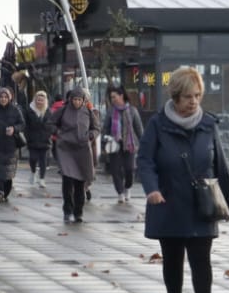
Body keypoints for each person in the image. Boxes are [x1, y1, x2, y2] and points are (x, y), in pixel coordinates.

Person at [137, 66, 229, 293]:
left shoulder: (208, 125)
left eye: (198, 96)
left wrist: (228, 203)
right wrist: (152, 189)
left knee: (201, 258)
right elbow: (145, 160)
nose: (194, 102)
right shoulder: (158, 124)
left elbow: (220, 164)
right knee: (173, 259)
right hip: (168, 202)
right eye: (189, 96)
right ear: (176, 96)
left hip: (202, 204)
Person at [53, 87, 100, 224]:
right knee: (67, 181)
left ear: (83, 100)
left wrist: (91, 135)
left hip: (82, 150)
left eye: (79, 99)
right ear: (70, 99)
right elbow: (50, 123)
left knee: (80, 183)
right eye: (75, 99)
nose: (77, 102)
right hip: (66, 149)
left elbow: (96, 128)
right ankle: (67, 210)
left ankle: (78, 212)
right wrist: (58, 133)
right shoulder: (63, 110)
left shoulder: (88, 112)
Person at [103, 87, 144, 203]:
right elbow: (105, 128)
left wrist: (144, 144)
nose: (112, 99)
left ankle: (128, 187)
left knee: (129, 169)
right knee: (115, 170)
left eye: (114, 97)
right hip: (114, 144)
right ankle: (120, 192)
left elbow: (139, 129)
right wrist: (104, 141)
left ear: (121, 96)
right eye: (111, 97)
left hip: (129, 144)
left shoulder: (132, 110)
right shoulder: (111, 111)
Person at [25, 90, 53, 186]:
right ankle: (33, 172)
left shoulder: (48, 111)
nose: (40, 102)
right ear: (35, 100)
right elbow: (26, 125)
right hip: (32, 139)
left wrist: (49, 132)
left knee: (43, 160)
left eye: (42, 100)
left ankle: (42, 179)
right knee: (33, 159)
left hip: (45, 140)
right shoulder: (29, 111)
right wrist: (27, 136)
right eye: (38, 100)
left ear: (45, 101)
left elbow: (52, 125)